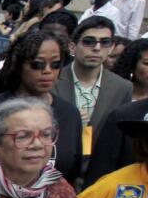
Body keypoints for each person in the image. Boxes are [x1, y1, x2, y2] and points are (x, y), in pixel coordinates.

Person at [0, 30, 84, 183]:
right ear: (18, 65)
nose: (47, 71)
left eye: (55, 64)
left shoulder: (70, 114)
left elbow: (74, 171)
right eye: (37, 64)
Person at [53, 16, 133, 161]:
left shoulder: (122, 88)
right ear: (72, 47)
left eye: (105, 42)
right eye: (89, 41)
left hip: (97, 170)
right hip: (55, 165)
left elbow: (118, 139)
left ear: (111, 48)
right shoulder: (52, 80)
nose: (97, 48)